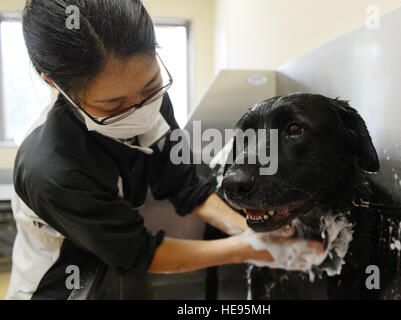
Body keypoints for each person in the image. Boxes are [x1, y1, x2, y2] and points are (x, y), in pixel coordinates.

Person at [6, 0, 322, 300]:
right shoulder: (50, 169)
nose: (141, 110)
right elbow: (138, 252)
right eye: (113, 105)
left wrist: (251, 228)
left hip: (120, 261)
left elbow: (185, 187)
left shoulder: (153, 102)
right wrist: (250, 249)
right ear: (54, 84)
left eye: (151, 85)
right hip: (63, 286)